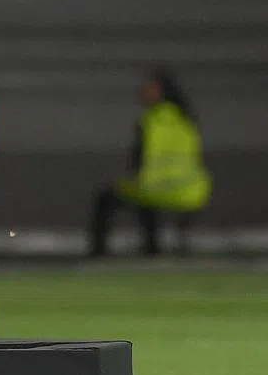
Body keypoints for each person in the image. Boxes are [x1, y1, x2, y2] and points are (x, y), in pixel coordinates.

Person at [88, 68, 211, 256]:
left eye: (148, 88)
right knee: (143, 193)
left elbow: (140, 159)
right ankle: (153, 247)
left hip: (159, 187)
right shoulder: (186, 119)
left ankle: (100, 251)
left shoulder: (150, 120)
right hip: (193, 190)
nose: (142, 92)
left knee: (108, 197)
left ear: (161, 91)